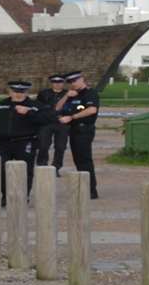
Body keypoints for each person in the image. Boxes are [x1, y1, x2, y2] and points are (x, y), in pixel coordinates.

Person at [0, 80, 45, 204]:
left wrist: (29, 112)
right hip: (3, 143)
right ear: (10, 91)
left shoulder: (35, 105)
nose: (18, 94)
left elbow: (47, 119)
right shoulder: (0, 105)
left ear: (27, 92)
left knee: (26, 170)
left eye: (22, 92)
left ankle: (24, 195)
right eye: (16, 91)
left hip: (25, 142)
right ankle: (6, 196)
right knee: (1, 170)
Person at [58, 69, 101, 199]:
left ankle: (91, 190)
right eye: (70, 82)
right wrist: (66, 96)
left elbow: (92, 110)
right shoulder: (72, 94)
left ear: (82, 79)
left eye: (75, 80)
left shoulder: (90, 93)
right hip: (73, 130)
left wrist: (72, 117)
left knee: (84, 160)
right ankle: (84, 186)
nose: (73, 83)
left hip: (84, 129)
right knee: (78, 160)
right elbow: (57, 108)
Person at [36, 72, 68, 174]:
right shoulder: (44, 93)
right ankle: (42, 165)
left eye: (60, 82)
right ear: (51, 83)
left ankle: (56, 167)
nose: (57, 84)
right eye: (55, 82)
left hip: (62, 124)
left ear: (63, 83)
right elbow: (40, 107)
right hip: (46, 123)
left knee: (60, 147)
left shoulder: (68, 94)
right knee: (43, 145)